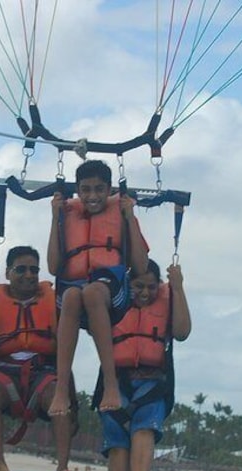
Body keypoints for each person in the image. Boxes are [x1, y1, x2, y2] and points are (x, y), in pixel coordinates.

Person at [0, 245, 79, 471]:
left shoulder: (56, 311)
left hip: (43, 376)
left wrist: (74, 405)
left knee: (57, 397)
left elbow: (64, 359)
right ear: (7, 273)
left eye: (34, 270)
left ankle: (62, 470)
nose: (29, 275)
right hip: (6, 378)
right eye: (21, 269)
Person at [95, 257, 191, 471]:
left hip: (153, 384)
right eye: (138, 286)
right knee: (116, 445)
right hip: (116, 384)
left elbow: (182, 332)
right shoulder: (113, 304)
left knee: (143, 430)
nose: (145, 293)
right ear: (127, 285)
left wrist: (179, 287)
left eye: (151, 287)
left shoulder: (169, 301)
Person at [46, 160, 149, 418]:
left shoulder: (122, 212)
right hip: (74, 288)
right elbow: (53, 266)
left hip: (112, 292)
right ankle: (61, 388)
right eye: (86, 190)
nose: (92, 196)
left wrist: (130, 217)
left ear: (109, 189)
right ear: (78, 191)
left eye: (99, 189)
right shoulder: (67, 213)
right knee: (71, 295)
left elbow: (139, 266)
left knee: (91, 292)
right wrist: (55, 217)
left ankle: (110, 383)